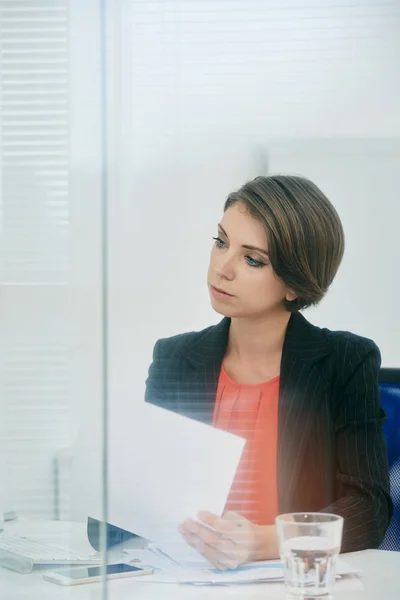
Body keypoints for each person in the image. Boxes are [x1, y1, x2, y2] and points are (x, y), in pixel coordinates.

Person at [88, 175, 392, 569]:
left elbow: (369, 508)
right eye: (220, 242)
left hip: (292, 581)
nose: (222, 268)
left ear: (294, 284)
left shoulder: (345, 361)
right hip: (188, 579)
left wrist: (263, 541)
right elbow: (123, 520)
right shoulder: (176, 358)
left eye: (252, 259)